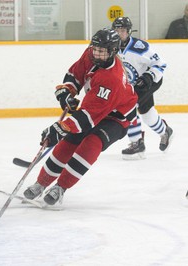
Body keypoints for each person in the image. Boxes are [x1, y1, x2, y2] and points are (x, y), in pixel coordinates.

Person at [23, 29, 138, 206]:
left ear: (113, 52)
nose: (97, 53)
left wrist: (60, 128)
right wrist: (67, 93)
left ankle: (61, 188)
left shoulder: (112, 78)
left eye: (102, 51)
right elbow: (76, 74)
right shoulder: (92, 53)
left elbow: (88, 118)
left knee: (92, 142)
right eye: (95, 49)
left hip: (117, 117)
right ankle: (41, 183)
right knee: (69, 140)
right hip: (95, 107)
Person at [112, 17, 173, 160]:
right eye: (117, 30)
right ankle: (165, 132)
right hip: (132, 86)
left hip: (149, 81)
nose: (120, 33)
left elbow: (161, 64)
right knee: (146, 113)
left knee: (128, 106)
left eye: (123, 31)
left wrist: (149, 76)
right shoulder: (111, 46)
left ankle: (137, 143)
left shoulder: (139, 47)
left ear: (129, 32)